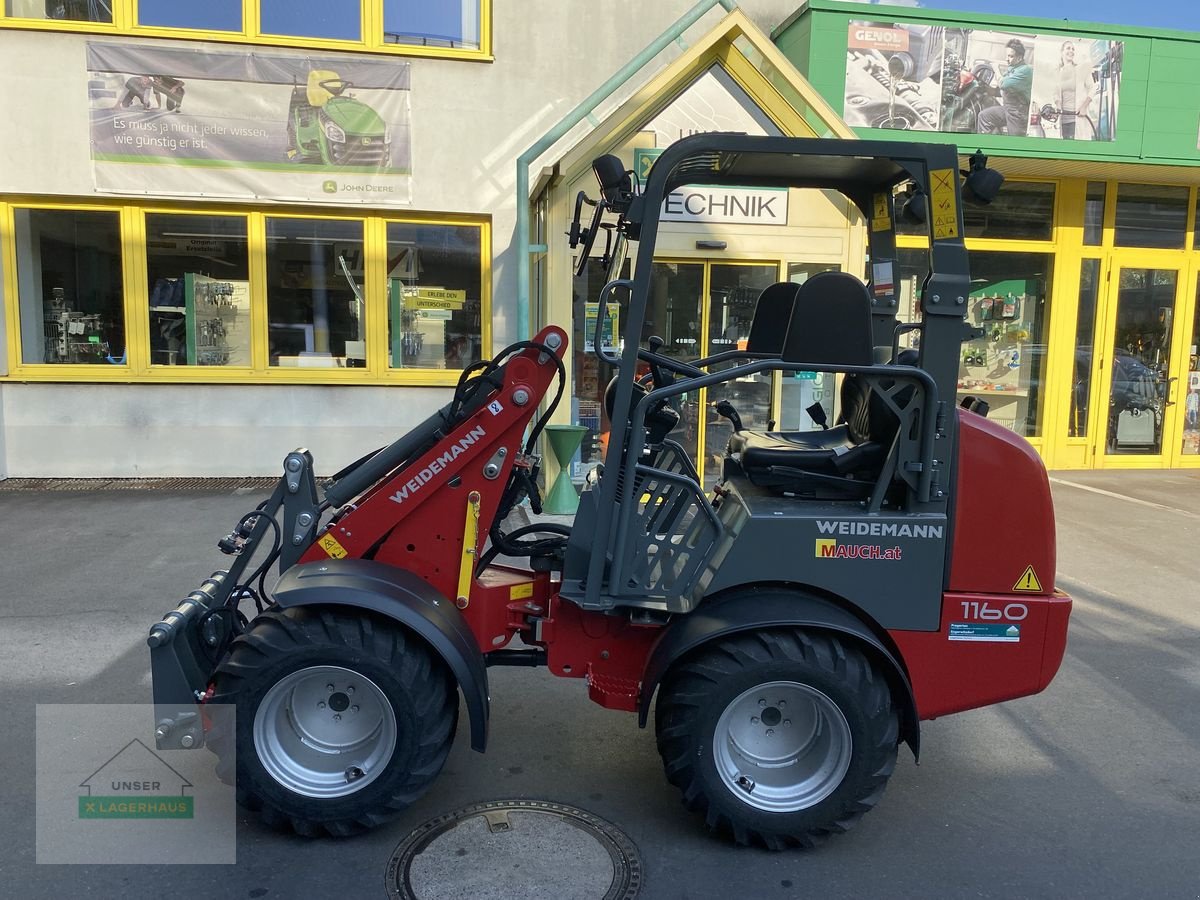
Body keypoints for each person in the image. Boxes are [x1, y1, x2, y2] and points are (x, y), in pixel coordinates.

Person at [977, 38, 1033, 136]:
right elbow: (1006, 90)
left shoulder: (1025, 70)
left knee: (1014, 142)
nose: (1007, 59)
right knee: (984, 116)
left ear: (1019, 57)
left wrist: (996, 69)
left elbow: (1003, 84)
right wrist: (989, 90)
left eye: (1011, 56)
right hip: (1008, 109)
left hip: (1018, 113)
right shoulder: (1013, 69)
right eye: (1007, 55)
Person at [1054, 41, 1094, 140]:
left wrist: (1084, 107)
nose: (1071, 51)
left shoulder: (1081, 69)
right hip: (1063, 120)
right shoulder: (1058, 72)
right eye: (1068, 48)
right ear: (1062, 51)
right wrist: (1057, 103)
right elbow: (1055, 93)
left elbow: (1092, 88)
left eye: (1073, 49)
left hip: (1077, 118)